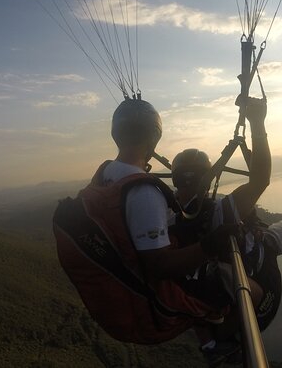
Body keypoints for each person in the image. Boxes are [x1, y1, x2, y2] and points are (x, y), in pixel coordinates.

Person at [53, 97, 237, 344]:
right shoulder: (144, 192)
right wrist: (211, 245)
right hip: (149, 312)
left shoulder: (104, 174)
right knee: (233, 288)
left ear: (116, 134)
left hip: (117, 300)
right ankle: (221, 345)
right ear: (154, 138)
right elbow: (160, 267)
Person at [170, 97, 282, 358]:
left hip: (241, 263)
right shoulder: (219, 210)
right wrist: (257, 123)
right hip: (258, 280)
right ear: (208, 178)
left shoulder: (169, 215)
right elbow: (260, 179)